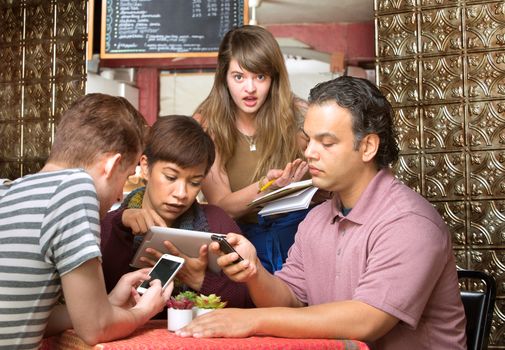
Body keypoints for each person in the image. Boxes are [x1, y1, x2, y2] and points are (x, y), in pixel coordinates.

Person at [177, 76, 467, 349]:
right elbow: (289, 299)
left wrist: (250, 319)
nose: (310, 153)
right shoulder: (317, 218)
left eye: (326, 143)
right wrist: (253, 273)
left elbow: (366, 321)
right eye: (309, 140)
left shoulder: (409, 223)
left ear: (367, 147)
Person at [0, 93, 172, 349]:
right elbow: (95, 329)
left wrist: (108, 303)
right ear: (111, 166)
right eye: (125, 177)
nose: (118, 195)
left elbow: (32, 316)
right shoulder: (74, 188)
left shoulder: (7, 189)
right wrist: (144, 311)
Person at [100, 115, 253, 308]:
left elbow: (249, 301)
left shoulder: (217, 222)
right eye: (171, 177)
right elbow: (96, 298)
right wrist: (120, 226)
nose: (181, 194)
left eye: (195, 182)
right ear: (145, 167)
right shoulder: (109, 223)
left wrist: (200, 279)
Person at [194, 25, 313, 273]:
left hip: (298, 236)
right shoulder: (207, 124)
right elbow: (222, 207)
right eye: (239, 77)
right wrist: (266, 186)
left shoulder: (300, 114)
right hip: (238, 240)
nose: (250, 88)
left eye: (260, 77)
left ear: (273, 78)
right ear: (223, 77)